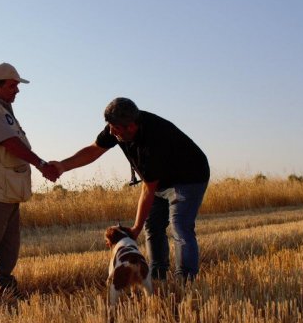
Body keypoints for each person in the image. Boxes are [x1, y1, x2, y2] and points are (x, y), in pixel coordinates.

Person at [51, 98, 209, 282]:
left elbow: (148, 190)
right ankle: (157, 275)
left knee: (180, 226)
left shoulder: (154, 137)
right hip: (160, 179)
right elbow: (94, 150)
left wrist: (135, 228)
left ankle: (186, 279)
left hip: (189, 177)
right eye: (117, 127)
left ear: (135, 123)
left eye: (126, 127)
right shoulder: (114, 130)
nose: (121, 131)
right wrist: (62, 166)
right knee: (153, 226)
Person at [0, 62, 59, 309]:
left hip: (6, 189)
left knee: (9, 246)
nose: (17, 90)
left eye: (17, 85)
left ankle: (5, 287)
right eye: (12, 85)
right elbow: (9, 143)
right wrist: (40, 163)